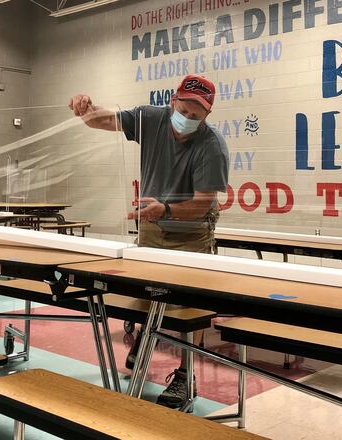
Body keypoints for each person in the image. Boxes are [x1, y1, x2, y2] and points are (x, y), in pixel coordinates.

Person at [69, 74, 229, 409]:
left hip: (192, 232)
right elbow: (105, 120)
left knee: (188, 308)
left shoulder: (211, 145)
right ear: (173, 101)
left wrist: (166, 208)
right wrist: (85, 108)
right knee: (145, 293)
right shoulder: (151, 119)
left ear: (207, 116)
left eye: (196, 115)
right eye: (184, 109)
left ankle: (186, 376)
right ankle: (143, 340)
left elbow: (203, 201)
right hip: (153, 226)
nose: (187, 119)